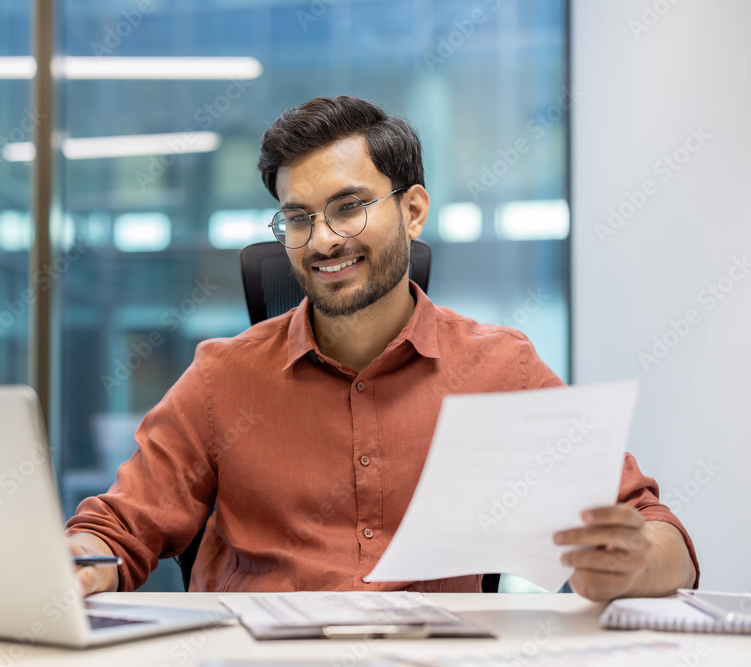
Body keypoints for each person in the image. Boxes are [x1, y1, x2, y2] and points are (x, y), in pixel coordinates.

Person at [67, 96, 698, 601]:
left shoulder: (502, 369)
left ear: (414, 210)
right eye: (298, 218)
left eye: (349, 208)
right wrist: (77, 566)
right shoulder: (221, 378)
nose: (321, 241)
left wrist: (633, 562)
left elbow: (654, 528)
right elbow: (117, 530)